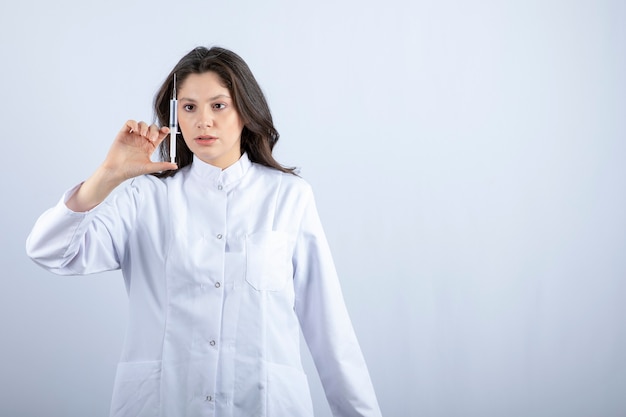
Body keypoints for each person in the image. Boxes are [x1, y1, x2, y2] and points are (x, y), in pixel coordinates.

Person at [26, 46, 382, 417]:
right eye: (190, 107)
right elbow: (50, 251)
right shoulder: (147, 197)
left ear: (245, 110)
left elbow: (330, 329)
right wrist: (107, 175)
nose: (203, 121)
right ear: (176, 115)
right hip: (164, 403)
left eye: (218, 105)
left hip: (264, 404)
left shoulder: (288, 197)